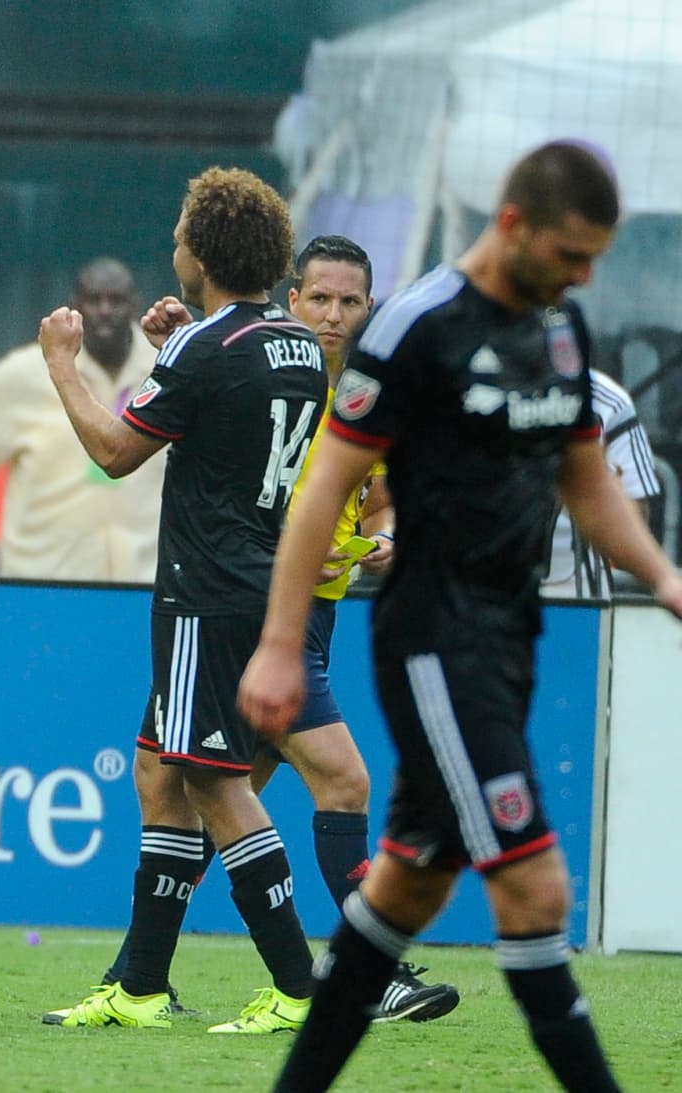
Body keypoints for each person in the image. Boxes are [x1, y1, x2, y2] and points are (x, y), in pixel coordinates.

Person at [239, 141, 682, 1092]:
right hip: (435, 635)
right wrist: (281, 646)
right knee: (535, 883)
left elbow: (586, 483)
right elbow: (326, 488)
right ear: (514, 224)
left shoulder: (560, 330)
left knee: (407, 883)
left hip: (508, 632)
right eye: (572, 254)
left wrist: (667, 577)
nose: (585, 275)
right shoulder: (418, 326)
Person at [94, 235, 458, 1024]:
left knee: (203, 791)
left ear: (367, 310)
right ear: (292, 300)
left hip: (294, 616)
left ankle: (139, 979)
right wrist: (180, 342)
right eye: (318, 298)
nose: (332, 314)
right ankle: (364, 974)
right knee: (220, 785)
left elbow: (384, 498)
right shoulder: (273, 372)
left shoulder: (372, 397)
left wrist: (383, 541)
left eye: (349, 301)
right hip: (255, 614)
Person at [38, 166, 325, 1033]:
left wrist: (63, 365)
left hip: (207, 590)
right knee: (160, 772)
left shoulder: (209, 349)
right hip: (259, 582)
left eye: (179, 234)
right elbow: (224, 407)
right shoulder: (296, 342)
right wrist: (186, 338)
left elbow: (117, 451)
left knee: (212, 781)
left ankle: (298, 988)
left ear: (202, 248)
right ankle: (140, 987)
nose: (172, 245)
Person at [0, 257, 163, 580]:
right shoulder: (28, 373)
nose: (104, 309)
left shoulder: (166, 370)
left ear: (135, 305)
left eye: (115, 300)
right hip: (43, 590)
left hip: (146, 591)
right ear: (76, 307)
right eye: (93, 299)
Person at [542, 367, 660, 596]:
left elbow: (637, 516)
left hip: (575, 594)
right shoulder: (456, 386)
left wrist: (595, 483)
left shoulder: (605, 398)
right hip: (470, 590)